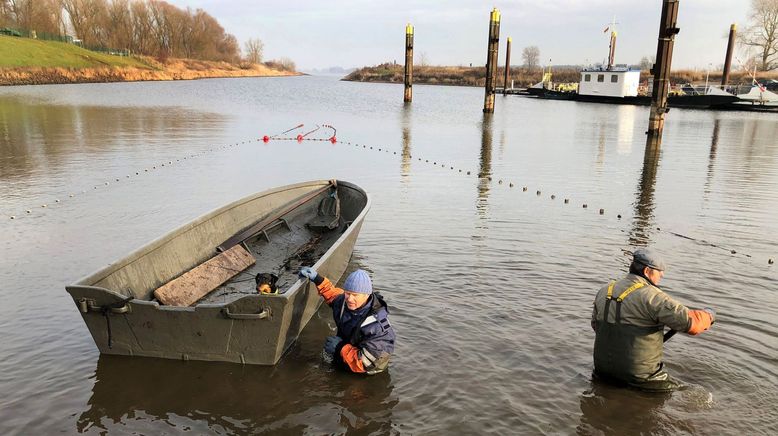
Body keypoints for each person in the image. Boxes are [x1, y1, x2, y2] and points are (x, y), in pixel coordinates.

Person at [591, 248, 715, 391]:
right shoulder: (652, 295)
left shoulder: (605, 290)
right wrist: (709, 314)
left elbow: (595, 326)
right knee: (691, 391)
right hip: (641, 378)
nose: (661, 275)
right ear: (647, 271)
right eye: (659, 272)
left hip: (602, 371)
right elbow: (693, 324)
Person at [299, 267, 395, 375]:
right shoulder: (344, 302)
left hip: (369, 368)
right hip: (350, 351)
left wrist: (340, 347)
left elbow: (367, 364)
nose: (350, 299)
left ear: (367, 295)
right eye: (348, 293)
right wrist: (317, 279)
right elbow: (333, 294)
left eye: (355, 295)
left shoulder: (378, 327)